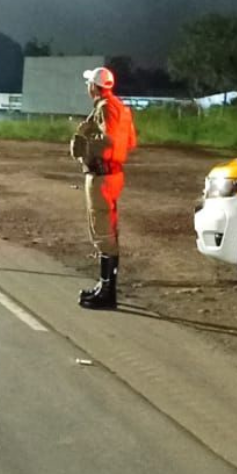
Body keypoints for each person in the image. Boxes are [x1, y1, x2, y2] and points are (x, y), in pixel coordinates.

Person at [69, 66, 137, 310]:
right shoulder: (120, 107)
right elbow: (130, 141)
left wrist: (88, 149)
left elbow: (110, 142)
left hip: (102, 175)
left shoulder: (105, 109)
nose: (88, 87)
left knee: (103, 231)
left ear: (94, 87)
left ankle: (107, 292)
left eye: (89, 83)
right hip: (114, 174)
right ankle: (104, 285)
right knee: (108, 229)